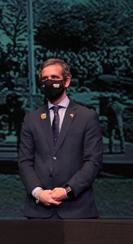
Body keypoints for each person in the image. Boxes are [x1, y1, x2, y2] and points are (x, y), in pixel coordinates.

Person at [18, 58, 103, 219]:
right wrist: (38, 192)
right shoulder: (31, 119)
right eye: (45, 79)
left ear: (67, 81)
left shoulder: (87, 116)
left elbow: (93, 161)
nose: (49, 82)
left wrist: (67, 191)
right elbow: (25, 161)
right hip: (39, 211)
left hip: (78, 210)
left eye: (55, 78)